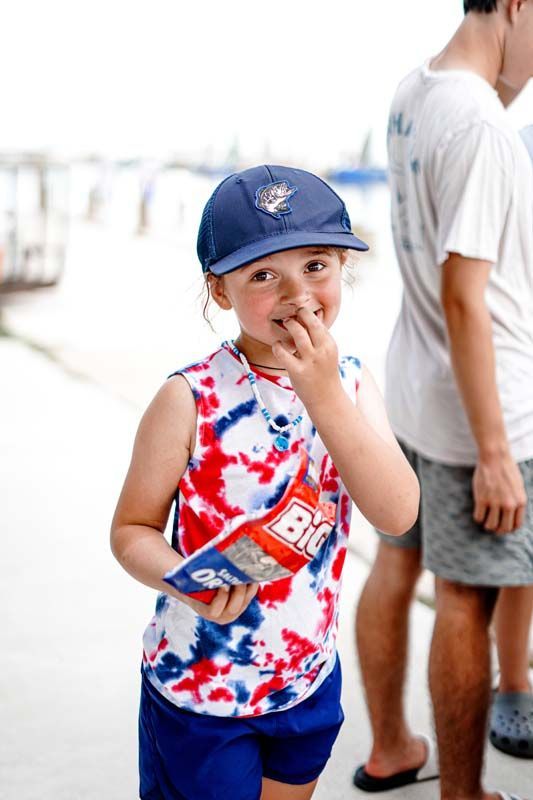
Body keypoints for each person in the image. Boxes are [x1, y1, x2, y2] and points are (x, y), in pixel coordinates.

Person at [110, 164, 420, 800]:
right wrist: (183, 581)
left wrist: (323, 393)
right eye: (262, 275)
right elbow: (131, 529)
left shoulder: (353, 382)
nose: (298, 294)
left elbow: (397, 512)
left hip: (306, 676)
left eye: (315, 265)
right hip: (203, 685)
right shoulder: (188, 397)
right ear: (219, 292)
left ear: (343, 267)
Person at [354, 2, 533, 799]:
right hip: (477, 415)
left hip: (416, 391)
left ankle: (391, 747)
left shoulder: (414, 91)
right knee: (465, 598)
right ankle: (464, 792)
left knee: (397, 565)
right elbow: (465, 297)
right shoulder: (483, 127)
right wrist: (495, 453)